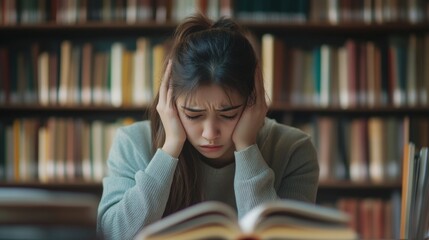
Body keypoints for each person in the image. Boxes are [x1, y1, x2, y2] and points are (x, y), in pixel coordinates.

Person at [97, 13, 319, 240]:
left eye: (229, 114)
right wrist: (170, 148)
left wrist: (247, 148)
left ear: (254, 99)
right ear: (169, 102)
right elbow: (115, 235)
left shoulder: (293, 150)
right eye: (193, 115)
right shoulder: (133, 142)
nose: (210, 134)